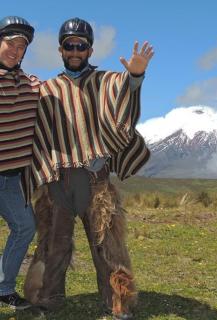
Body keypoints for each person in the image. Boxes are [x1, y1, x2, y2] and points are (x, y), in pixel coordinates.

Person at [24, 17, 154, 320]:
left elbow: (124, 93)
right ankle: (46, 300)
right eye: (69, 45)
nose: (75, 50)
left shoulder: (105, 81)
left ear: (90, 49)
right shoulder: (47, 90)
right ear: (60, 49)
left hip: (96, 182)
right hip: (57, 182)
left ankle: (119, 304)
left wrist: (135, 75)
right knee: (52, 246)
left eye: (80, 45)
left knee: (109, 248)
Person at [0, 16, 39, 310]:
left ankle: (3, 289)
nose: (15, 50)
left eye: (21, 46)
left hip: (11, 179)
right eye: (10, 43)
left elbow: (69, 92)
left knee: (25, 226)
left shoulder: (31, 85)